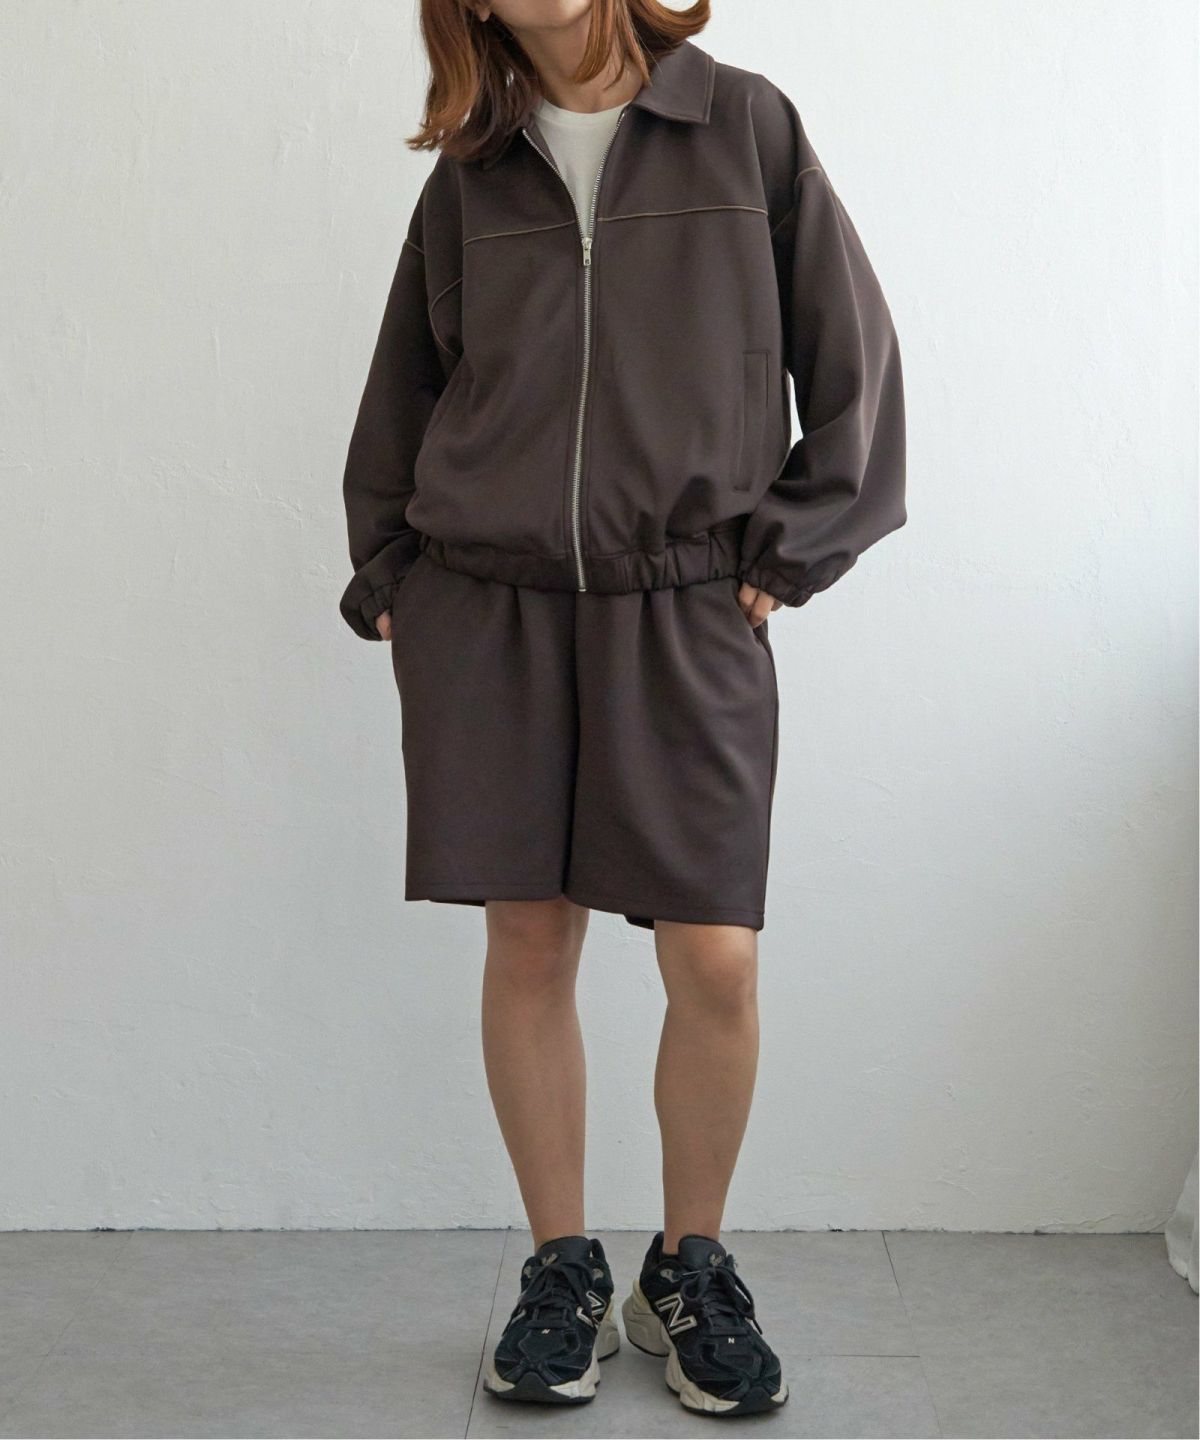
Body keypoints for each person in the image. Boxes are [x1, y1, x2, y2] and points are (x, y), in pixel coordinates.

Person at [338, 0, 905, 1418]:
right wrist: (392, 572)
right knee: (531, 940)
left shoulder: (743, 124)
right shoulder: (473, 167)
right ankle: (561, 1272)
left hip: (687, 598)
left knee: (714, 957)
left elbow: (854, 360)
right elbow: (407, 386)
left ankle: (688, 1270)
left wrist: (796, 546)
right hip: (493, 606)